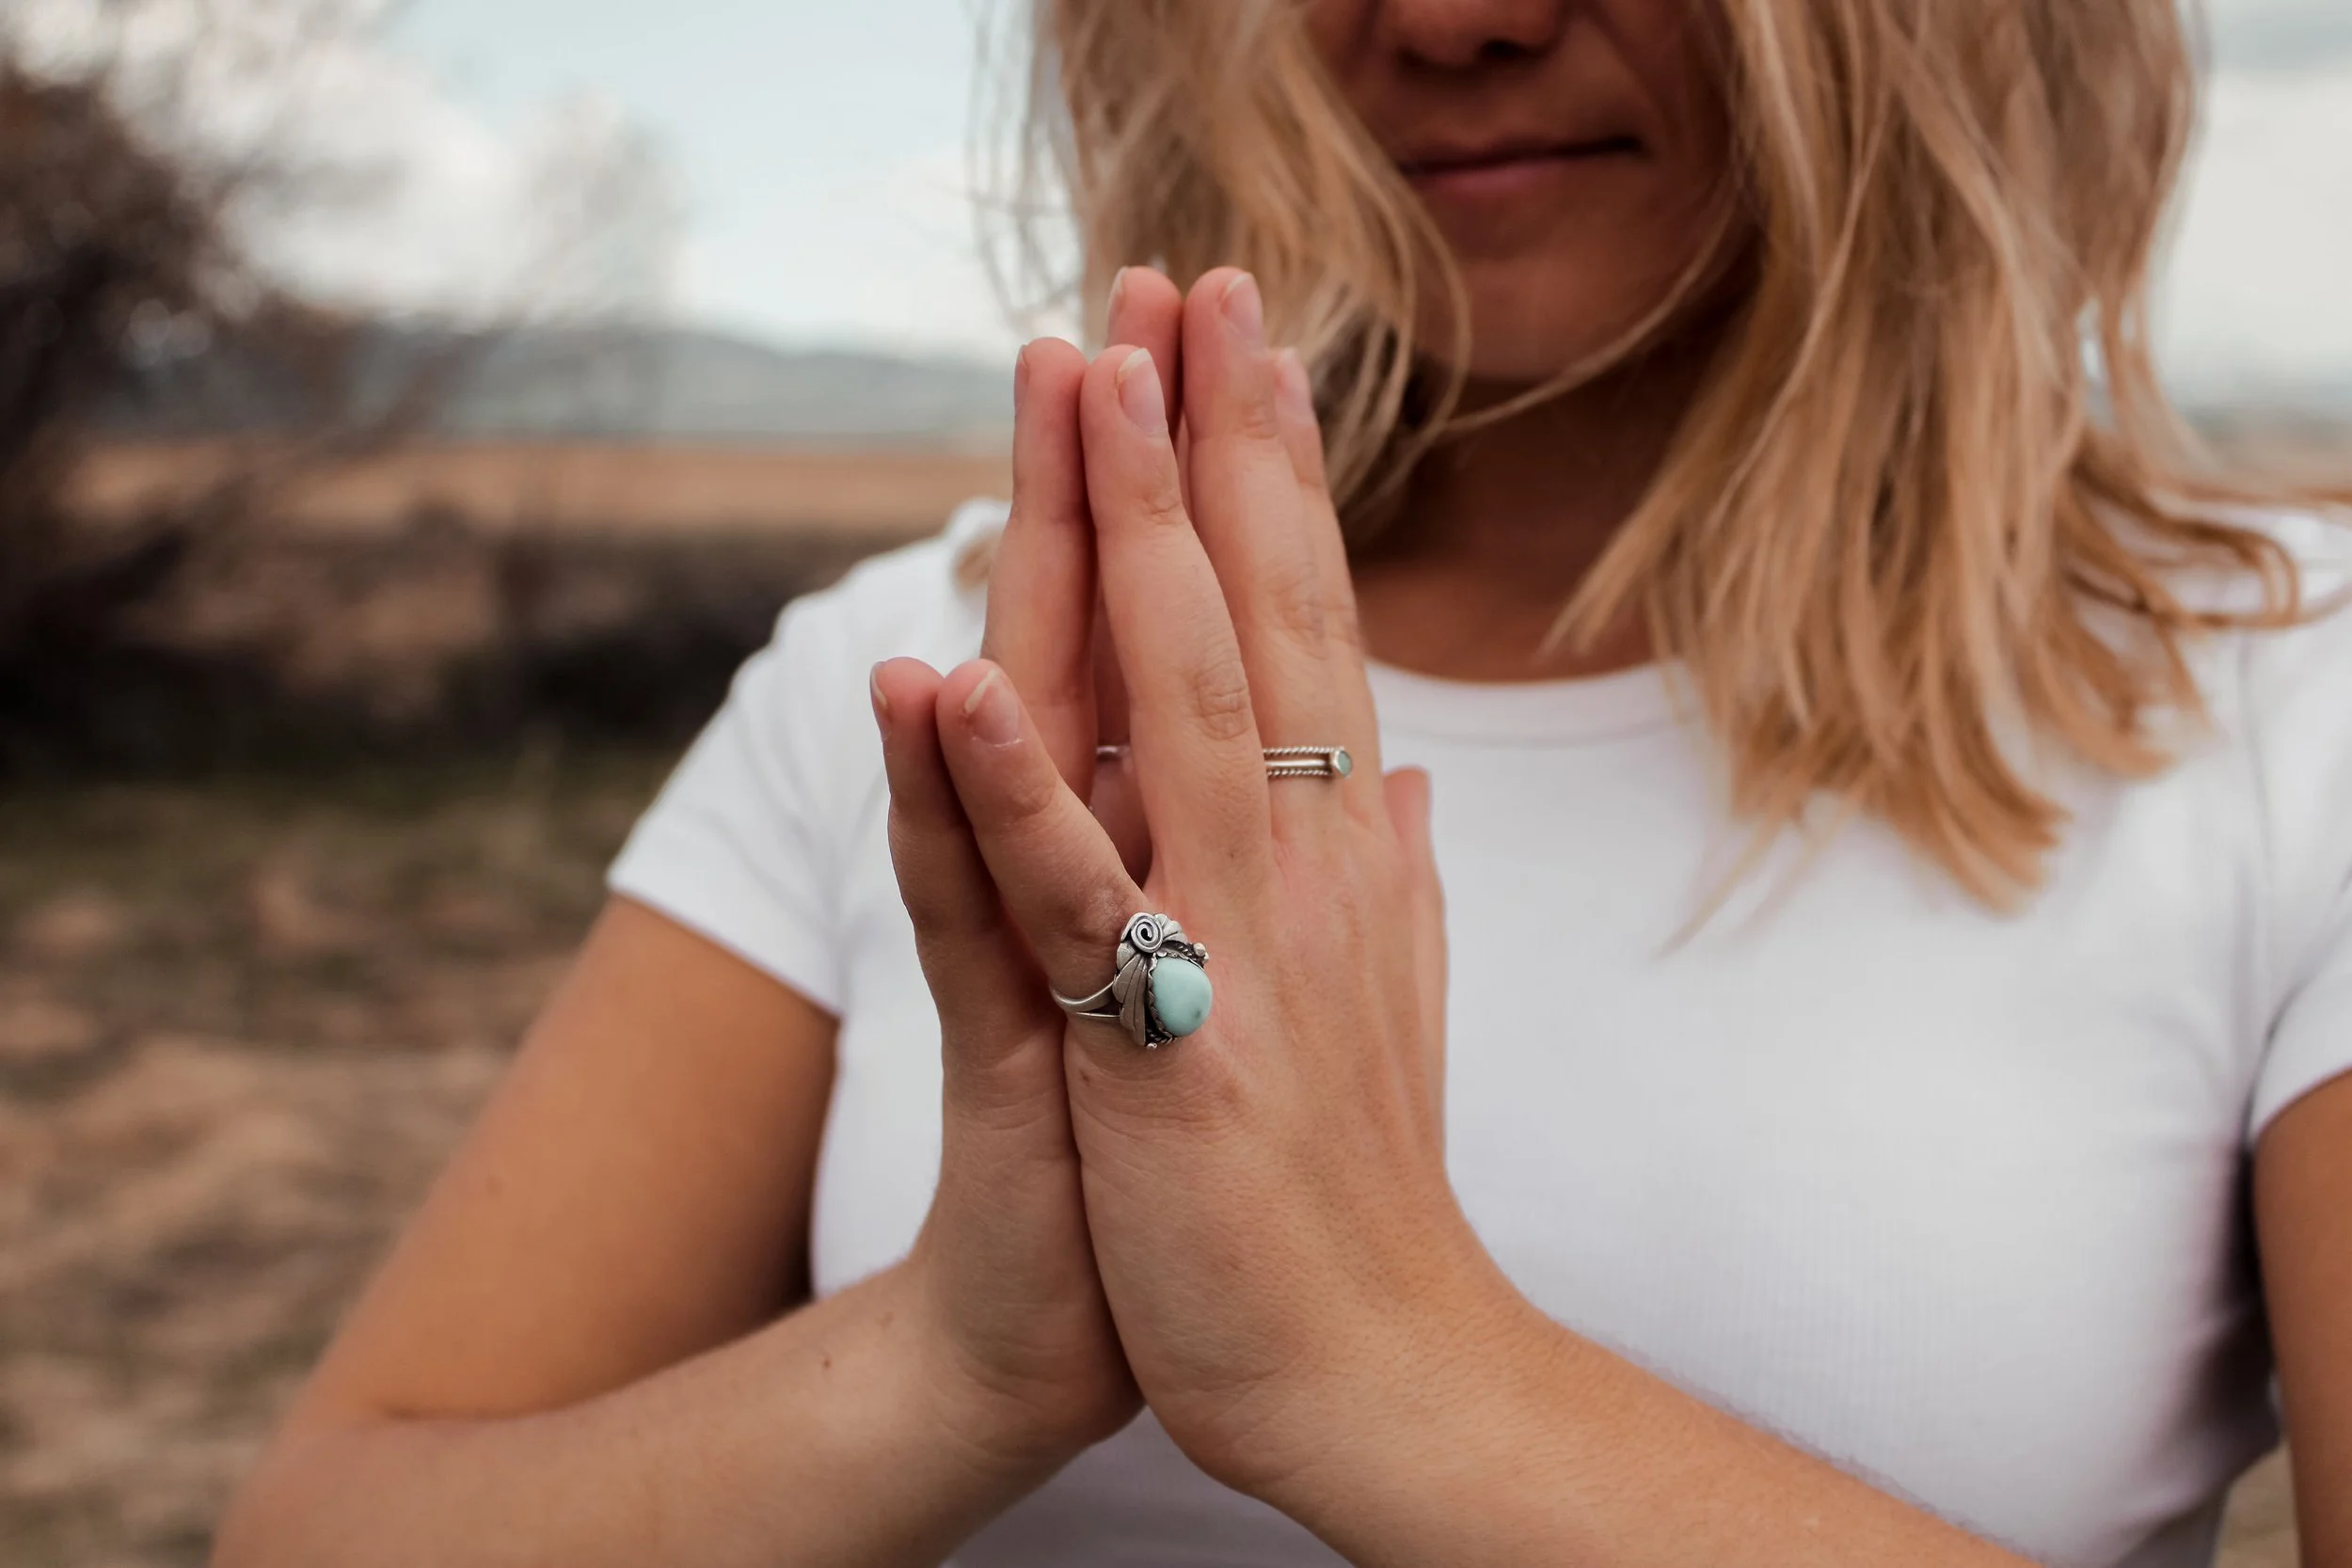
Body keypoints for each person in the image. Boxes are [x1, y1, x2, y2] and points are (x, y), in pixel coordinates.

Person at [215, 3, 2352, 1566]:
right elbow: (329, 1518)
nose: (1452, 21)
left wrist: (1389, 1363)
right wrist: (955, 1361)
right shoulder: (924, 688)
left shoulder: (2286, 705)